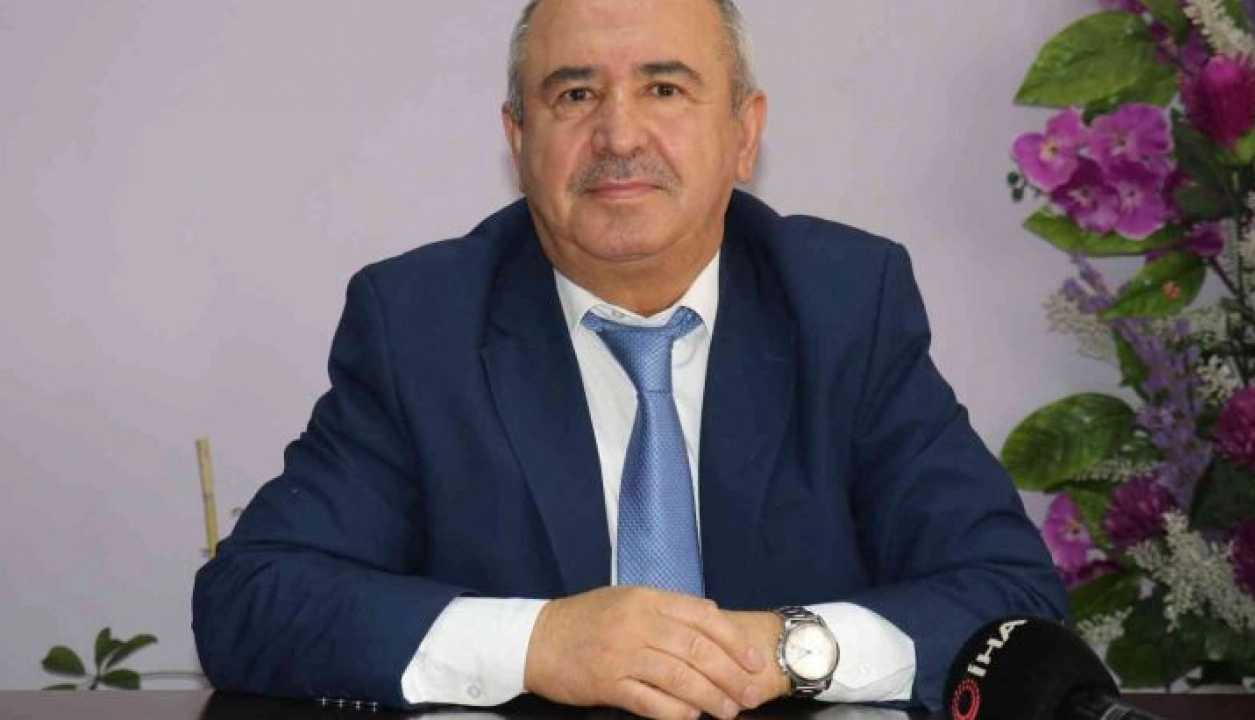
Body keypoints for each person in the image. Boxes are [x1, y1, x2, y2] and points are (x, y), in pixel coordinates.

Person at [192, 1, 1067, 717]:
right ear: (518, 138)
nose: (618, 134)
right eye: (575, 94)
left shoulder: (844, 305)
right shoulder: (422, 324)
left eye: (664, 88)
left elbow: (1012, 597)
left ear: (744, 132)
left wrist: (791, 650)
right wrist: (539, 643)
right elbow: (252, 600)